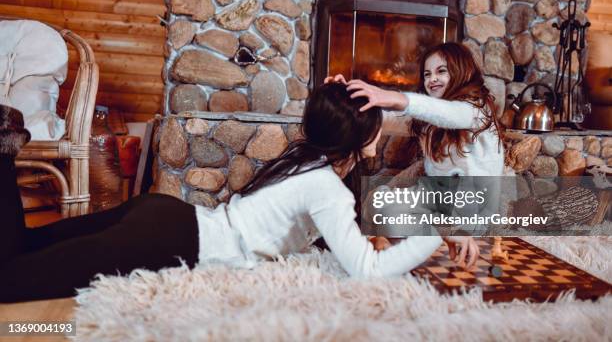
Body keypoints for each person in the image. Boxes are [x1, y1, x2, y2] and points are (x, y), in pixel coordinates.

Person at [0, 83, 475, 303]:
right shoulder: (325, 185)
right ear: (358, 140)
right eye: (374, 130)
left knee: (29, 247)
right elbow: (368, 272)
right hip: (170, 240)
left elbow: (342, 227)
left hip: (167, 217)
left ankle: (5, 151)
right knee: (13, 281)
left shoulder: (306, 158)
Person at [329, 42, 507, 255]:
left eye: (441, 71)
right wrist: (345, 98)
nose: (432, 79)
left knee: (396, 222)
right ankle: (432, 238)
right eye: (427, 74)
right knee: (377, 200)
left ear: (464, 72)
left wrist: (393, 97)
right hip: (435, 205)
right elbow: (384, 120)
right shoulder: (428, 120)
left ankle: (435, 238)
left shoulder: (478, 110)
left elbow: (449, 113)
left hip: (470, 211)